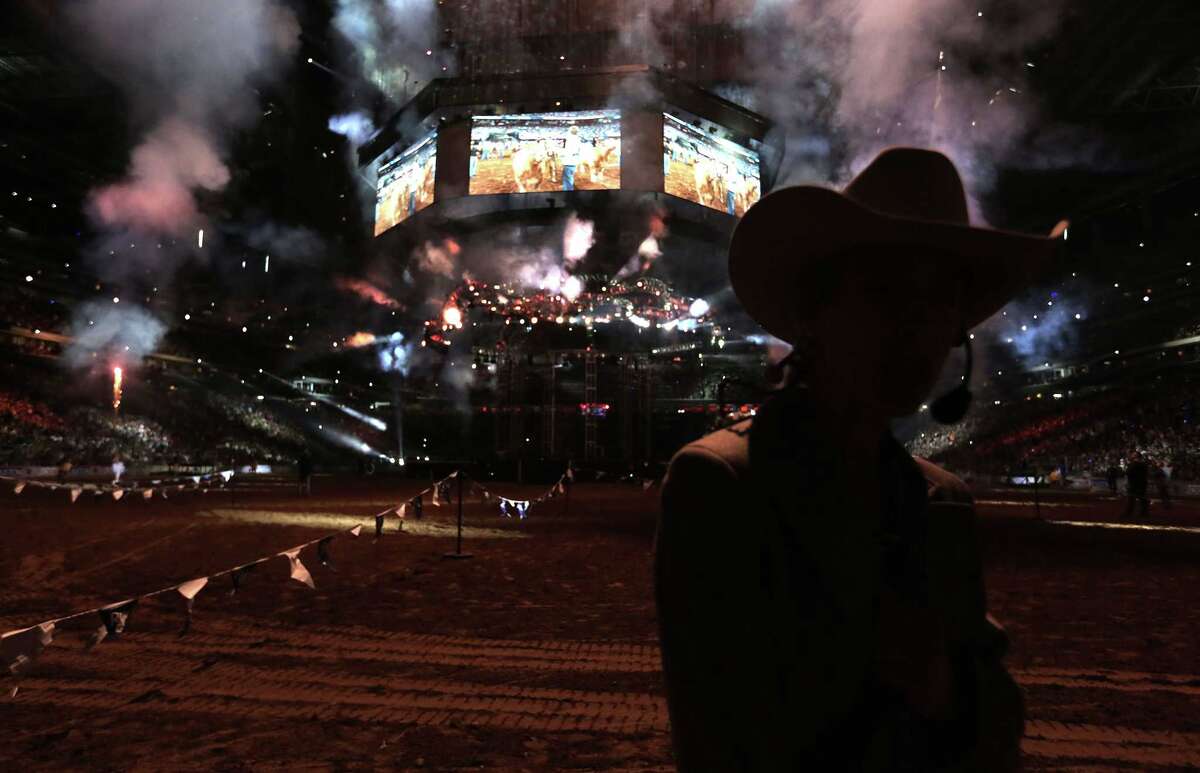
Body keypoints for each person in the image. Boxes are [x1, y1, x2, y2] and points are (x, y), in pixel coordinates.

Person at [656, 148, 1067, 771]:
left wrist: (941, 688)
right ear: (818, 313)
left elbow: (996, 724)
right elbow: (719, 737)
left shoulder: (945, 501)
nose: (920, 326)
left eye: (940, 303)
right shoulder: (719, 484)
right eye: (889, 292)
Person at [1124, 452, 1149, 519]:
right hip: (1142, 483)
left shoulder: (1133, 464)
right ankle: (1144, 512)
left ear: (1135, 456)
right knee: (1142, 498)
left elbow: (1128, 473)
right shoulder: (1144, 465)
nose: (1131, 456)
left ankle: (1129, 512)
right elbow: (1146, 474)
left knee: (1131, 499)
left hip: (1134, 484)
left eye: (1133, 455)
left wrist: (1127, 483)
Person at [561, 125, 581, 191]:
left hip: (568, 162)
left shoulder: (569, 139)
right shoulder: (578, 139)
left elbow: (567, 151)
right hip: (574, 162)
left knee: (567, 180)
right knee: (570, 178)